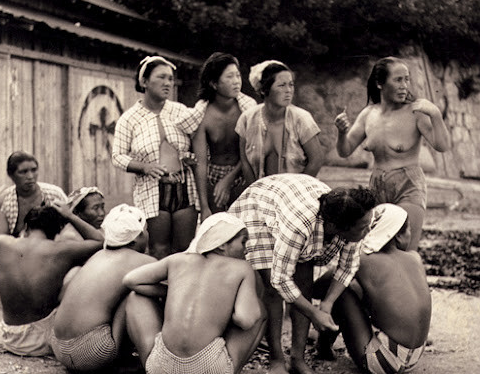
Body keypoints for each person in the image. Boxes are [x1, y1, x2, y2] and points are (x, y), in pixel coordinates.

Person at [228, 173, 376, 374]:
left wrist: (327, 304)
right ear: (339, 227)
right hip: (262, 208)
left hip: (300, 203)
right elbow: (280, 280)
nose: (368, 229)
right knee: (272, 288)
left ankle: (297, 358)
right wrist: (314, 313)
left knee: (304, 277)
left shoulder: (352, 219)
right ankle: (276, 358)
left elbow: (348, 267)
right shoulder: (299, 225)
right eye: (363, 227)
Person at [122, 213, 267, 374]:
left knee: (136, 297)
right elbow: (246, 320)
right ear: (222, 244)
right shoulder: (241, 268)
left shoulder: (177, 260)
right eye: (243, 242)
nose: (246, 250)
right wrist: (226, 308)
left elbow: (130, 280)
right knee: (260, 310)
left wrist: (172, 291)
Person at [0, 185, 104, 356]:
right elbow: (100, 242)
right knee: (75, 272)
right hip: (41, 342)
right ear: (57, 231)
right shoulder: (60, 250)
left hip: (11, 338)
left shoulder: (4, 244)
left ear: (26, 228)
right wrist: (69, 216)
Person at [335, 56, 451, 250]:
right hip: (376, 187)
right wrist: (341, 132)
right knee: (375, 249)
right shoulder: (368, 114)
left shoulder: (416, 112)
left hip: (409, 186)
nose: (404, 86)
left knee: (405, 249)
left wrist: (436, 114)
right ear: (380, 83)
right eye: (398, 80)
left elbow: (442, 145)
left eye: (407, 79)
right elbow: (345, 151)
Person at [314, 203, 431, 374]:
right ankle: (326, 341)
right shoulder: (415, 258)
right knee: (350, 287)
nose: (411, 235)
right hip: (413, 357)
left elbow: (319, 288)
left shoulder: (362, 259)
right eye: (409, 231)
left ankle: (323, 347)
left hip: (383, 361)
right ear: (397, 236)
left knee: (340, 291)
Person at [50, 204, 156, 374]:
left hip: (59, 347)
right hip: (91, 353)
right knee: (135, 293)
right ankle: (130, 358)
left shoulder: (97, 255)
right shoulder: (144, 261)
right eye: (146, 230)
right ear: (138, 237)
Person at [112, 56, 199, 259]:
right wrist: (144, 167)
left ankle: (181, 290)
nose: (168, 83)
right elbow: (117, 156)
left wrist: (190, 157)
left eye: (170, 78)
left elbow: (199, 142)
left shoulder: (180, 111)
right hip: (151, 190)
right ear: (144, 82)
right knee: (158, 249)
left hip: (184, 187)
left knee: (185, 250)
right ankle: (161, 291)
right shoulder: (130, 118)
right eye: (161, 77)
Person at [177, 52, 257, 221]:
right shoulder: (202, 116)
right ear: (214, 83)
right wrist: (204, 208)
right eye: (229, 76)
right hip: (213, 175)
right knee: (217, 226)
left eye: (237, 75)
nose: (236, 81)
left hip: (242, 171)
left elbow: (250, 153)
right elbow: (201, 163)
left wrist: (229, 179)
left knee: (242, 225)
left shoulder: (248, 110)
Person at [237, 60, 327, 185]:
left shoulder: (302, 119)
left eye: (291, 85)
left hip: (296, 192)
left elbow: (316, 160)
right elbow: (245, 161)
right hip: (260, 191)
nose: (288, 90)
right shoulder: (247, 119)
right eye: (282, 85)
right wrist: (255, 190)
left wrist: (294, 190)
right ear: (263, 90)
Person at [0, 151, 68, 237]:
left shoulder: (55, 194)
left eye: (34, 170)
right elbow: (1, 241)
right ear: (11, 175)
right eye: (23, 172)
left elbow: (70, 227)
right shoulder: (5, 201)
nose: (30, 176)